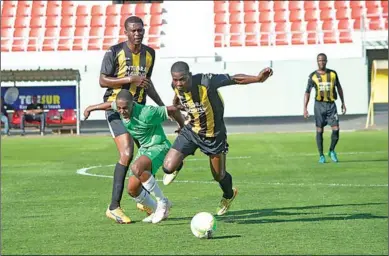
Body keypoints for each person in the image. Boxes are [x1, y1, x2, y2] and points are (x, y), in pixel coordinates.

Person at [162, 61, 273, 216]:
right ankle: (176, 166)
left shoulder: (207, 82)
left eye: (182, 79)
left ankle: (229, 195)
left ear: (190, 75)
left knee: (218, 175)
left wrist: (258, 78)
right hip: (191, 131)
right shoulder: (175, 86)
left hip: (213, 136)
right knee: (167, 166)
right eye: (175, 80)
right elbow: (177, 98)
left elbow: (234, 79)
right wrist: (179, 113)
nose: (179, 83)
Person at [99, 16, 166, 223]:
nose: (137, 34)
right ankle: (114, 207)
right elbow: (102, 80)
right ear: (126, 32)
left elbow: (146, 83)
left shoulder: (149, 54)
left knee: (150, 151)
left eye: (140, 30)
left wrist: (162, 105)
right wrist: (130, 79)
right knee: (127, 152)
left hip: (138, 110)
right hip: (116, 107)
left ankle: (143, 198)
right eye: (133, 30)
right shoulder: (114, 52)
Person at [83, 89, 185, 224]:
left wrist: (183, 128)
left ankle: (162, 202)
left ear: (133, 104)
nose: (121, 111)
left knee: (136, 167)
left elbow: (173, 109)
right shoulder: (120, 107)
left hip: (159, 146)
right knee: (132, 189)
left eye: (125, 108)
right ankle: (157, 211)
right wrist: (91, 108)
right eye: (119, 108)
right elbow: (109, 105)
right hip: (145, 149)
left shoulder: (147, 112)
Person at [304, 53, 346, 163]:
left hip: (331, 105)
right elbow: (307, 92)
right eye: (319, 60)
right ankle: (321, 155)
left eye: (323, 60)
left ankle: (331, 151)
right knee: (319, 130)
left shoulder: (332, 74)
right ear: (317, 61)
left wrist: (343, 102)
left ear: (326, 61)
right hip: (319, 106)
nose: (321, 62)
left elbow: (339, 87)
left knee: (336, 129)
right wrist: (305, 108)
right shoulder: (312, 76)